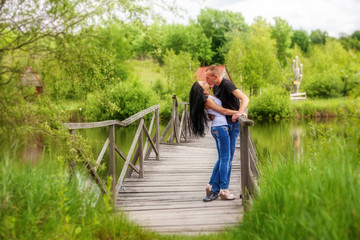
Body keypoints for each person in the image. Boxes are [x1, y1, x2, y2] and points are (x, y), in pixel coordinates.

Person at [189, 81, 240, 202]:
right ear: (202, 89)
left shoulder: (209, 96)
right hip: (220, 128)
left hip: (218, 127)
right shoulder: (207, 99)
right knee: (226, 159)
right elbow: (223, 111)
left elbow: (214, 111)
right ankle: (224, 190)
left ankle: (211, 185)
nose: (205, 82)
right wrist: (239, 112)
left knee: (222, 158)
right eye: (203, 83)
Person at [205, 65, 249, 193]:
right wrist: (210, 113)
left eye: (208, 77)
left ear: (216, 77)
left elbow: (245, 98)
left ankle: (216, 186)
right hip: (224, 124)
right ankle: (216, 186)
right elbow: (220, 105)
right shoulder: (216, 86)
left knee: (226, 158)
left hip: (233, 124)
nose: (206, 79)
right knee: (225, 159)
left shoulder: (227, 84)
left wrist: (239, 112)